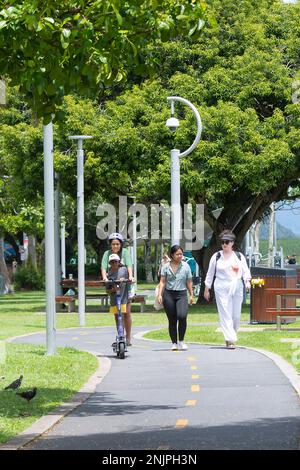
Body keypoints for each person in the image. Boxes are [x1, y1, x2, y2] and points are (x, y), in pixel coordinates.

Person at [204, 230, 251, 349]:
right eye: (222, 242)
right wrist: (207, 288)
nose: (224, 244)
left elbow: (245, 271)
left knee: (236, 315)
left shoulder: (239, 256)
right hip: (221, 286)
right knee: (225, 313)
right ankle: (230, 339)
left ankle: (231, 335)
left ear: (232, 243)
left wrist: (247, 281)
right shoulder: (217, 256)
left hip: (236, 286)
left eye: (227, 242)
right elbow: (210, 274)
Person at [157, 245, 193, 351]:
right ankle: (174, 343)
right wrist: (159, 294)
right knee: (172, 319)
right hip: (168, 294)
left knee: (182, 316)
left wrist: (191, 294)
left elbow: (189, 281)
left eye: (181, 254)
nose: (180, 256)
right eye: (177, 254)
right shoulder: (166, 267)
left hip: (181, 294)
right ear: (172, 255)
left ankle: (181, 341)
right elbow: (162, 281)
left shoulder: (186, 266)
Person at [101, 232, 134, 346]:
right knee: (117, 313)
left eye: (117, 244)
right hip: (114, 285)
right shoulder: (107, 254)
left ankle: (128, 337)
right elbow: (103, 268)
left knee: (126, 313)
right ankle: (121, 335)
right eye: (113, 244)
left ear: (121, 244)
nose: (115, 246)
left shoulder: (125, 253)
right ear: (110, 245)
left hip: (126, 286)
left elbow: (129, 266)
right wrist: (105, 278)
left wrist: (130, 276)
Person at [106, 253, 129, 344]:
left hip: (122, 297)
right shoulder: (109, 273)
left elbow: (129, 280)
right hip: (114, 299)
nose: (114, 264)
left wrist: (125, 279)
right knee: (117, 317)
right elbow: (107, 290)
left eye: (115, 262)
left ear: (119, 262)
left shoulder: (123, 270)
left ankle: (123, 336)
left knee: (122, 316)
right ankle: (120, 334)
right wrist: (113, 289)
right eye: (112, 262)